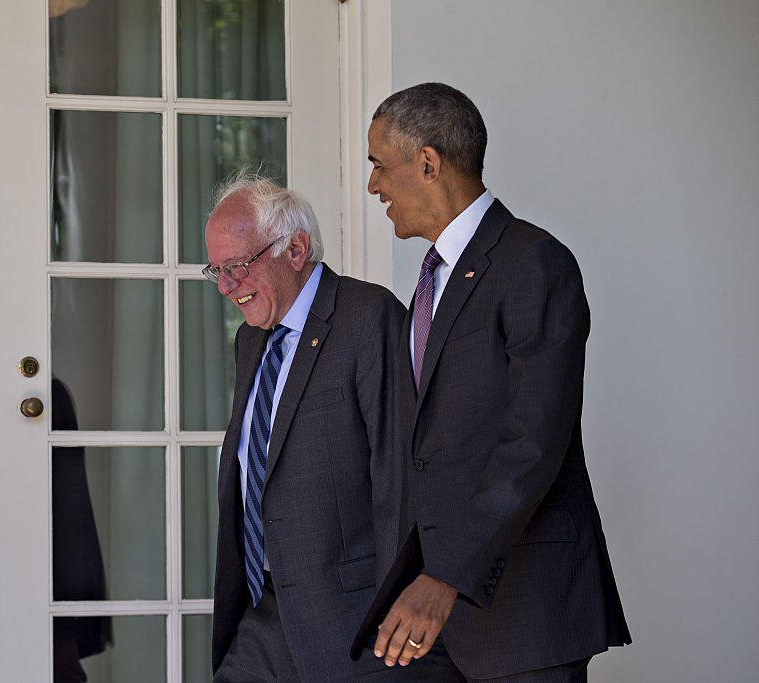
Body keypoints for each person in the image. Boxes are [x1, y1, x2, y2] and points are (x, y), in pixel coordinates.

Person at [362, 83, 632, 680]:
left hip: (523, 617)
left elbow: (533, 441)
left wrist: (446, 577)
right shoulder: (433, 280)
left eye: (380, 165)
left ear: (428, 163)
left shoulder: (535, 262)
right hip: (435, 626)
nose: (374, 185)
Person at [205, 174, 407, 681]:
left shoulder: (369, 318)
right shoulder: (251, 340)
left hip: (353, 619)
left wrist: (396, 610)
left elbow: (399, 476)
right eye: (217, 271)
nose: (227, 287)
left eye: (238, 267)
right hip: (264, 610)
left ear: (295, 249)